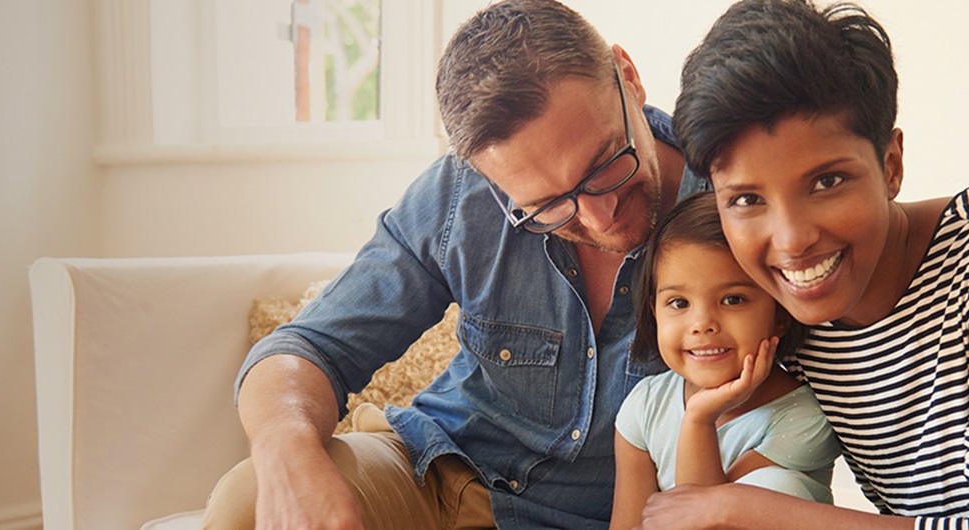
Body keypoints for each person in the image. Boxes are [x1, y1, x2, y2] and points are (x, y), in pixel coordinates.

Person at [198, 0, 710, 528]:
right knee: (246, 499)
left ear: (627, 76)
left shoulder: (732, 202)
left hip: (607, 515)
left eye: (605, 160)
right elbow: (307, 347)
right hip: (438, 473)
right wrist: (288, 456)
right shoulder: (461, 197)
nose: (601, 218)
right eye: (548, 205)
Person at [636, 0, 969, 528]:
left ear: (891, 165)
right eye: (746, 199)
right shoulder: (789, 312)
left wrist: (745, 508)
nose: (792, 241)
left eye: (826, 182)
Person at [609, 192, 839, 530]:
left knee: (777, 488)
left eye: (733, 299)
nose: (702, 323)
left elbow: (708, 519)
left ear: (780, 314)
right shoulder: (645, 406)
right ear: (653, 312)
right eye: (678, 302)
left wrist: (700, 418)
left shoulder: (803, 417)